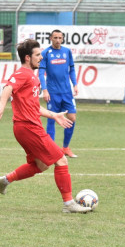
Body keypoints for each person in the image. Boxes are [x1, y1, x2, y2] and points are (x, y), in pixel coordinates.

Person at [0, 39, 92, 214]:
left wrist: (54, 115)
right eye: (38, 55)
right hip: (29, 127)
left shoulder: (33, 77)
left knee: (42, 165)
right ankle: (68, 204)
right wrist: (2, 104)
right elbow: (8, 87)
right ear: (27, 58)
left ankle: (5, 180)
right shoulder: (23, 73)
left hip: (25, 127)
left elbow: (34, 107)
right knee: (61, 160)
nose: (41, 58)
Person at [38, 29, 79, 158]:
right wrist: (44, 90)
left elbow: (71, 68)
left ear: (62, 39)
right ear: (51, 38)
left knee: (72, 118)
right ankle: (51, 151)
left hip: (67, 92)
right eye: (55, 37)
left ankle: (65, 148)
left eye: (60, 38)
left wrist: (75, 84)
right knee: (51, 120)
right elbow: (40, 73)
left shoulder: (67, 52)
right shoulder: (45, 53)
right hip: (52, 93)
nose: (57, 40)